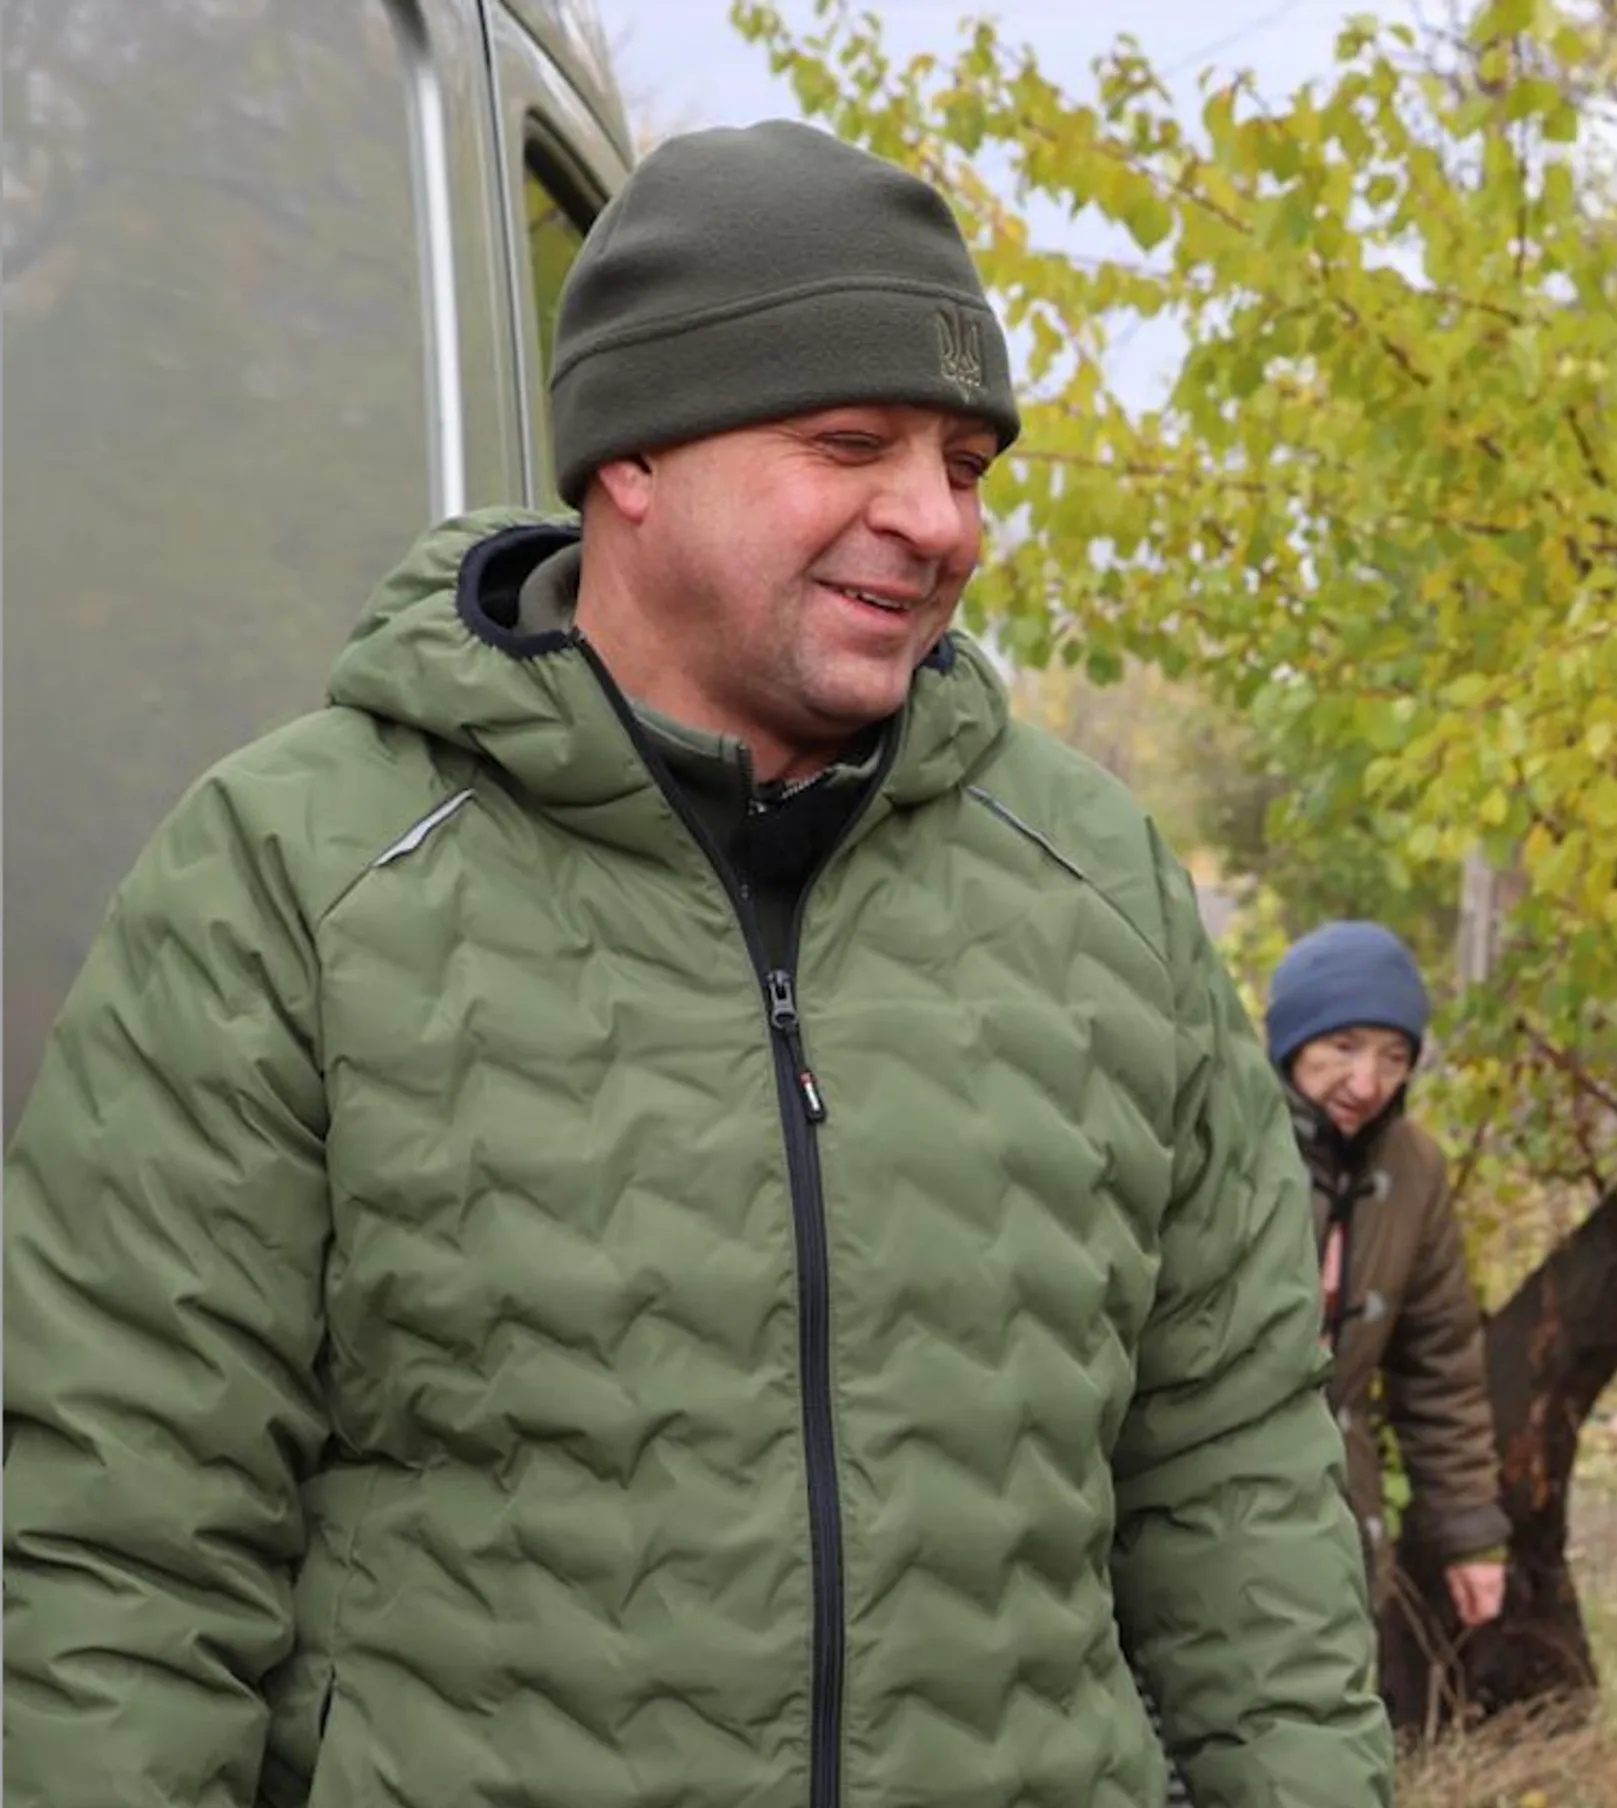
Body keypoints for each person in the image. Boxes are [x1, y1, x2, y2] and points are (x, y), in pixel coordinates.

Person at [1, 120, 1387, 1807]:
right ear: (632, 457)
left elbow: (1237, 1482)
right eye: (851, 440)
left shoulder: (1097, 885)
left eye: (964, 462)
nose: (933, 519)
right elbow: (123, 1555)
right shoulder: (292, 877)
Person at [1260, 925, 1513, 1666]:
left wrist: (1470, 1535)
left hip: (1340, 1516)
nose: (1367, 1083)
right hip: (1201, 1514)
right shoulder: (1217, 1140)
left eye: (1393, 1056)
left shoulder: (1415, 1170)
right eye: (1343, 1046)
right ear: (1290, 1040)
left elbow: (1440, 1364)